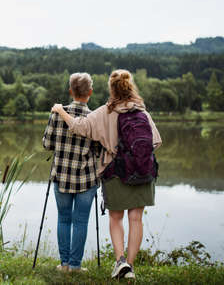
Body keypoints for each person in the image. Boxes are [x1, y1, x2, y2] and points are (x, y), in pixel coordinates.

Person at [51, 69, 162, 279]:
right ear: (131, 87)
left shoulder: (105, 112)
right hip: (143, 171)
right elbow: (156, 141)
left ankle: (120, 262)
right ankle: (129, 266)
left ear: (111, 89)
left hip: (115, 172)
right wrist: (136, 156)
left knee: (116, 217)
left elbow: (78, 127)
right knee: (136, 218)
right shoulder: (142, 112)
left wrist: (60, 111)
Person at [42, 72, 102, 272]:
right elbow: (99, 149)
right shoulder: (95, 118)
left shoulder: (57, 114)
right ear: (90, 92)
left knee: (63, 218)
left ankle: (64, 264)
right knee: (81, 221)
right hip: (87, 178)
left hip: (62, 176)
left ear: (70, 91)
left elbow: (47, 144)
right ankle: (76, 265)